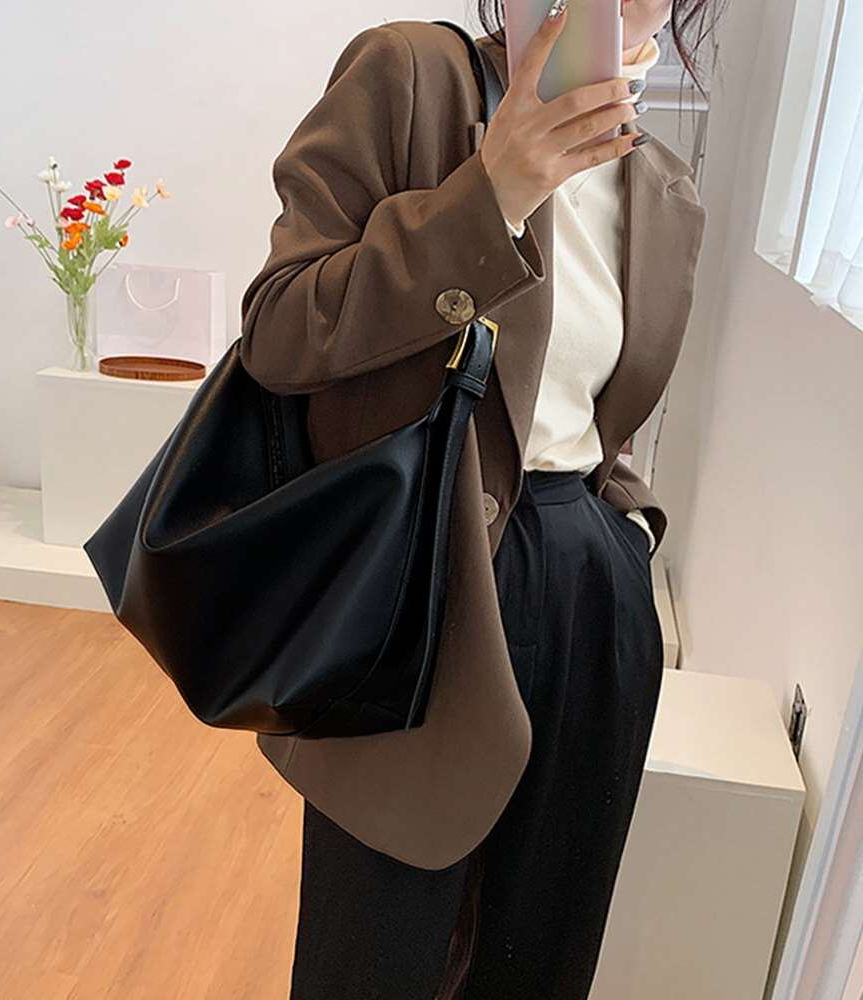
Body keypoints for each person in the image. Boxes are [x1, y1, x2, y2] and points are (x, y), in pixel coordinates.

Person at [239, 0, 722, 996]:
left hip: (587, 585)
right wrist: (490, 195)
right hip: (424, 576)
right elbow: (280, 330)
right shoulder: (411, 78)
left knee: (539, 953)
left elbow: (595, 412)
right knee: (373, 956)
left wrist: (625, 535)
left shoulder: (664, 188)